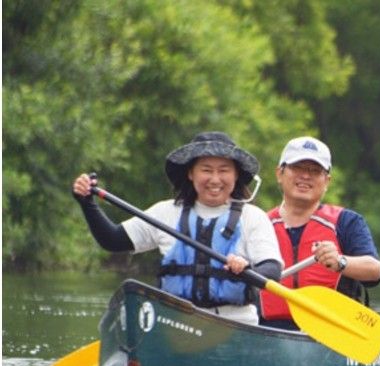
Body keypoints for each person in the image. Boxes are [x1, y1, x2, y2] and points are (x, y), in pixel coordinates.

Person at [71, 131, 283, 325]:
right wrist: (87, 203)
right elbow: (113, 240)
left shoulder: (252, 217)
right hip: (174, 324)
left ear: (236, 175)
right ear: (191, 174)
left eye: (224, 171)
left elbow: (272, 269)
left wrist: (246, 270)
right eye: (206, 170)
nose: (215, 179)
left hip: (235, 326)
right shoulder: (166, 212)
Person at [259, 136, 380, 329]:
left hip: (331, 330)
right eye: (297, 168)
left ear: (326, 181)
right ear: (280, 173)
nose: (305, 176)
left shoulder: (347, 222)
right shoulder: (259, 224)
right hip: (266, 331)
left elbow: (375, 271)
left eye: (315, 171)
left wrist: (341, 262)